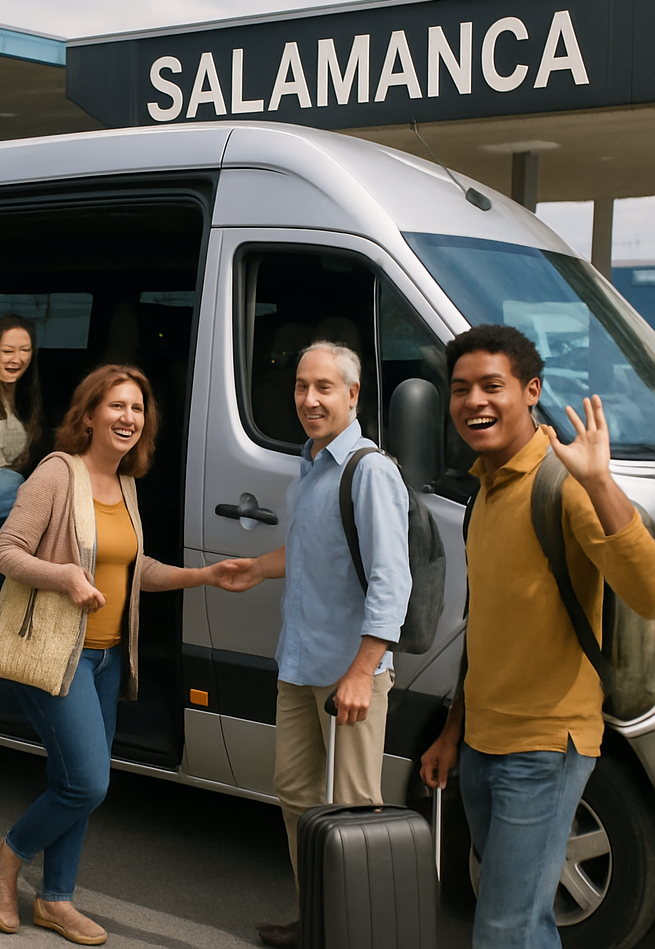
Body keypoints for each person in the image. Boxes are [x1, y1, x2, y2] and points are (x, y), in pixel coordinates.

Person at [420, 324, 655, 949]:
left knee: (503, 926)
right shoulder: (485, 493)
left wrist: (601, 482)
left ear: (531, 392)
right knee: (526, 921)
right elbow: (485, 631)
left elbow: (650, 593)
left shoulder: (565, 485)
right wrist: (453, 731)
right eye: (462, 388)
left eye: (492, 386)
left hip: (545, 745)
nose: (475, 402)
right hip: (481, 742)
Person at [0, 363, 233, 946]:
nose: (128, 418)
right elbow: (5, 553)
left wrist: (206, 574)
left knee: (70, 776)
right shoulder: (56, 473)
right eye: (116, 406)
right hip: (55, 655)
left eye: (137, 409)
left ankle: (56, 899)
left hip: (107, 659)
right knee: (88, 783)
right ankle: (9, 854)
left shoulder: (125, 484)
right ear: (89, 414)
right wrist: (65, 577)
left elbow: (133, 568)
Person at [219, 341, 412, 949]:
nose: (309, 399)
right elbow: (310, 554)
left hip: (348, 671)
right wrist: (259, 567)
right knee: (297, 797)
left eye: (324, 388)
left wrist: (363, 669)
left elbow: (391, 579)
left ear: (352, 396)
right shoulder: (309, 469)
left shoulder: (369, 470)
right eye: (302, 386)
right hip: (299, 661)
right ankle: (321, 921)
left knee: (355, 810)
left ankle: (359, 933)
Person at [0, 314, 44, 524]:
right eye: (7, 351)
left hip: (6, 502)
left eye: (25, 350)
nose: (17, 359)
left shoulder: (25, 392)